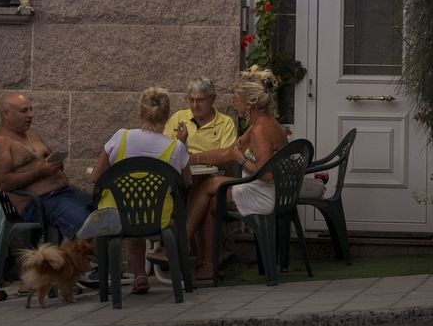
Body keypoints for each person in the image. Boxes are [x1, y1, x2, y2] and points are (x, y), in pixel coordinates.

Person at [184, 68, 288, 281]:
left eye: (236, 99)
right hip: (267, 189)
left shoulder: (260, 130)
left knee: (206, 185)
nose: (234, 103)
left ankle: (180, 244)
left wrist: (241, 159)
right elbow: (227, 152)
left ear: (249, 103)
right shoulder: (261, 123)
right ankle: (205, 263)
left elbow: (266, 175)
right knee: (209, 200)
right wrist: (190, 158)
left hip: (265, 193)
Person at [88, 87, 193, 295]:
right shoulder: (175, 147)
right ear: (167, 115)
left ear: (141, 112)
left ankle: (139, 274)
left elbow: (95, 177)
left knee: (131, 210)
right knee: (142, 211)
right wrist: (181, 144)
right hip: (158, 217)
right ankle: (146, 275)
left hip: (119, 215)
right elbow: (186, 182)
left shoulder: (121, 137)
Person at [0, 92, 90, 242]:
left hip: (66, 193)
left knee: (105, 213)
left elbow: (47, 160)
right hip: (38, 203)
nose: (31, 114)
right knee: (86, 227)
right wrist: (39, 172)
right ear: (6, 114)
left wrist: (56, 164)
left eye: (31, 109)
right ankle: (78, 255)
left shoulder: (33, 135)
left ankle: (86, 254)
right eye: (24, 111)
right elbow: (3, 183)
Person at [163, 77, 237, 160]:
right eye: (191, 100)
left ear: (213, 99)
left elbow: (227, 156)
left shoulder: (226, 123)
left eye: (200, 100)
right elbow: (163, 148)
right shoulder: (179, 116)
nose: (195, 106)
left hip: (209, 168)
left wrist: (192, 158)